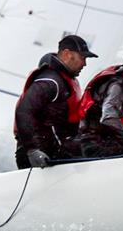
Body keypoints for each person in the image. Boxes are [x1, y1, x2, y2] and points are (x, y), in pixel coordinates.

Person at [13, 34, 98, 169]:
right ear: (66, 53)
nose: (85, 63)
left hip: (57, 155)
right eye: (82, 58)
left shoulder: (68, 81)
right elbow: (24, 111)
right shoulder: (50, 81)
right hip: (39, 157)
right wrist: (32, 150)